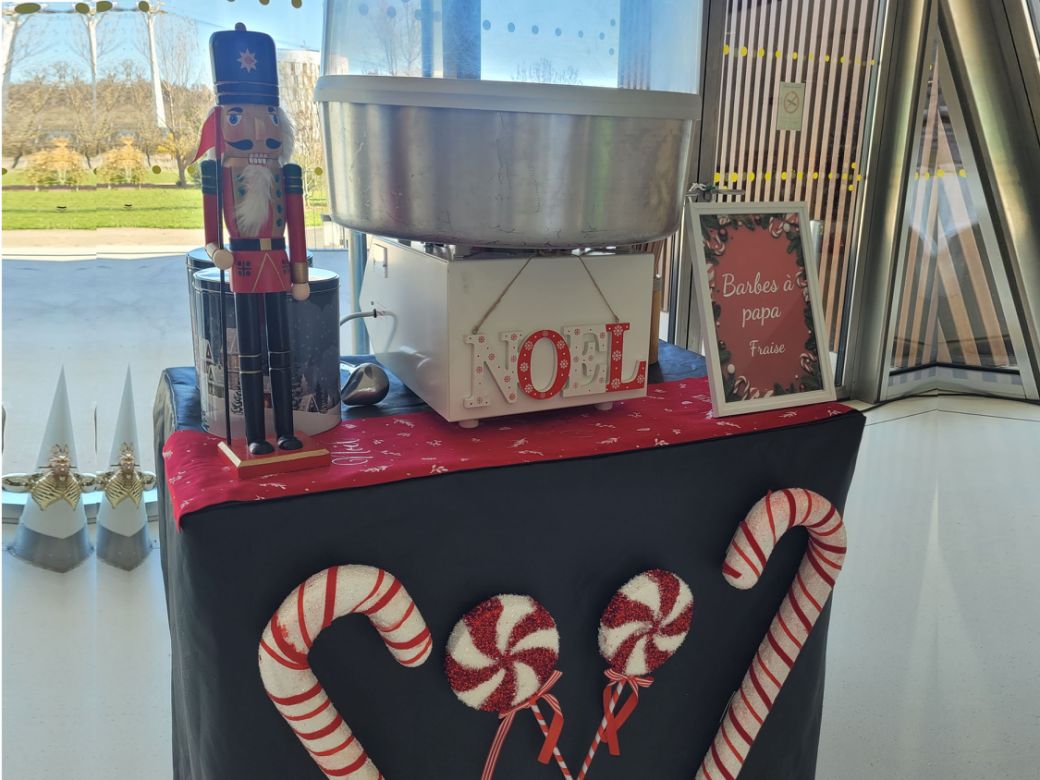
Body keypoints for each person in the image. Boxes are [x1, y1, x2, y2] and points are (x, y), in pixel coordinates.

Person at [193, 23, 309, 455]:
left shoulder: (286, 174)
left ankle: (286, 430)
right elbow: (211, 234)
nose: (260, 131)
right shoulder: (219, 174)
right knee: (249, 354)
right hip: (241, 264)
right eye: (241, 118)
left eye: (269, 118)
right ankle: (256, 435)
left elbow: (297, 227)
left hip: (277, 263)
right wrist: (215, 252)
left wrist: (301, 275)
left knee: (281, 350)